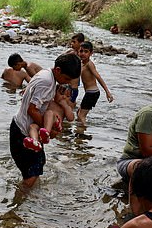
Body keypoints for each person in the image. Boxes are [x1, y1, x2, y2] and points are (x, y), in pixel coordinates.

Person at [10, 53, 81, 188]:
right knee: (31, 176)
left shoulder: (47, 75)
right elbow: (32, 110)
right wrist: (49, 129)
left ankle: (24, 201)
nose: (67, 82)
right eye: (66, 78)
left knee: (37, 165)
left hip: (24, 130)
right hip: (22, 132)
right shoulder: (47, 81)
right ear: (58, 70)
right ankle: (19, 202)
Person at [77, 41, 114, 125]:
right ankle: (80, 130)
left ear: (91, 53)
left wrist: (107, 92)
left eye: (86, 51)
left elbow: (98, 77)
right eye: (81, 51)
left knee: (81, 116)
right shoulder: (82, 63)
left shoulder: (89, 64)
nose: (83, 53)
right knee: (78, 113)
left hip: (92, 93)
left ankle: (82, 133)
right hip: (89, 93)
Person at [66, 33, 84, 108]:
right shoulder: (70, 52)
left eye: (74, 42)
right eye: (71, 42)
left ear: (81, 43)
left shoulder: (82, 55)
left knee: (70, 102)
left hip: (74, 84)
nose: (72, 44)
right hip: (68, 82)